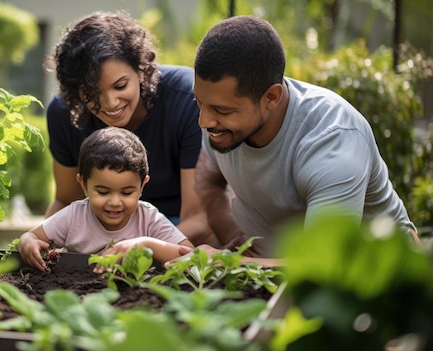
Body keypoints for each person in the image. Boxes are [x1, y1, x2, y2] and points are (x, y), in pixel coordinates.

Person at [173, 15, 419, 266]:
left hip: (381, 276)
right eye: (199, 103)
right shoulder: (220, 121)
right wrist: (233, 235)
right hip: (277, 269)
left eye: (222, 110)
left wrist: (231, 262)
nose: (204, 121)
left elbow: (323, 264)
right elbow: (209, 180)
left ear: (271, 97)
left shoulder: (332, 139)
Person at [43, 10, 217, 246]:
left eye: (120, 86)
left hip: (175, 228)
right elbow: (65, 201)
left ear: (141, 69)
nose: (110, 103)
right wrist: (42, 247)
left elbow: (199, 219)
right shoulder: (64, 114)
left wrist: (139, 250)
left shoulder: (187, 100)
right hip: (101, 230)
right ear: (75, 91)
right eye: (92, 93)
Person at [18, 127, 194, 272]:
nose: (115, 202)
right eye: (103, 192)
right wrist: (27, 242)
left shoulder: (148, 218)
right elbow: (32, 236)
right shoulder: (74, 216)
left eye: (126, 193)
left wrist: (146, 245)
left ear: (142, 186)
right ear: (84, 185)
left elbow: (190, 255)